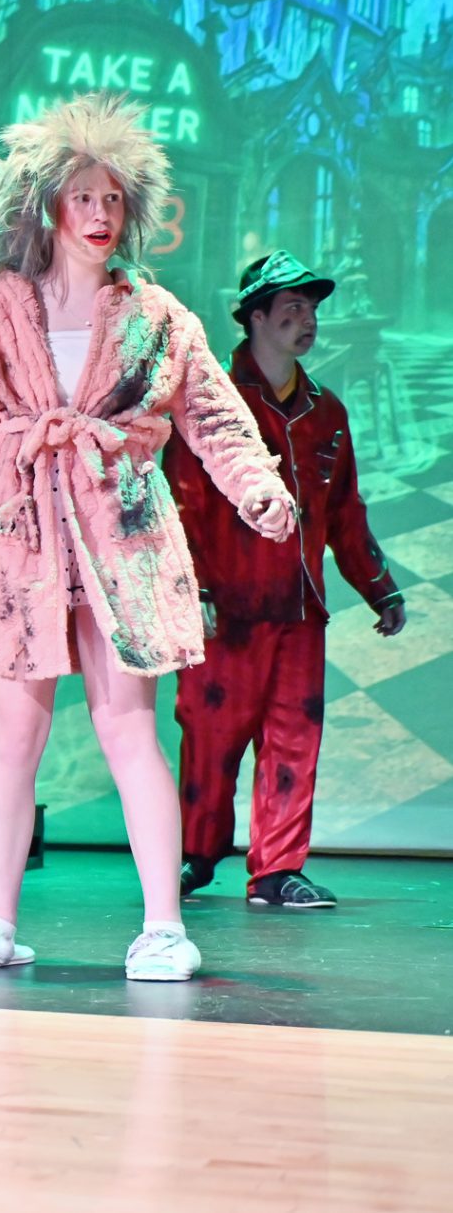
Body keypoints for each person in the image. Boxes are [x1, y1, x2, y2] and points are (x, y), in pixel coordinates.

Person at [0, 94, 295, 982]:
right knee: (12, 738)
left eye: (113, 199)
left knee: (128, 729)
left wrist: (259, 488)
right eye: (83, 197)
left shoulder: (157, 315)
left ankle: (162, 927)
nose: (100, 214)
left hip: (123, 534)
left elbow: (216, 419)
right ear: (46, 206)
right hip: (21, 533)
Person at [167, 251, 405, 909]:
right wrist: (194, 590)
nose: (308, 321)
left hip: (300, 609)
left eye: (312, 309)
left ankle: (276, 870)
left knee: (294, 738)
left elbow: (344, 512)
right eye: (293, 309)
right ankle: (194, 854)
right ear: (255, 317)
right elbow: (182, 503)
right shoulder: (211, 403)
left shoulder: (327, 411)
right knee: (211, 738)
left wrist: (378, 586)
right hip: (227, 608)